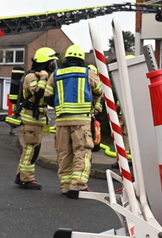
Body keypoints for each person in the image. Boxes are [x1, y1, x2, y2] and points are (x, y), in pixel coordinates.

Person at [47, 45, 103, 196]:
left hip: (61, 120)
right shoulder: (87, 73)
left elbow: (47, 95)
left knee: (64, 153)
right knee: (82, 151)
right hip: (81, 121)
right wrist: (96, 105)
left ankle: (65, 186)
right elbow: (99, 89)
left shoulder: (56, 74)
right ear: (81, 59)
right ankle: (78, 185)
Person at [14, 47, 58, 190]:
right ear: (44, 63)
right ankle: (26, 179)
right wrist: (44, 77)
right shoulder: (32, 77)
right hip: (31, 120)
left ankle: (21, 175)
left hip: (38, 119)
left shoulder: (40, 77)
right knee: (30, 151)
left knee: (33, 149)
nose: (53, 65)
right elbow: (38, 94)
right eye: (51, 62)